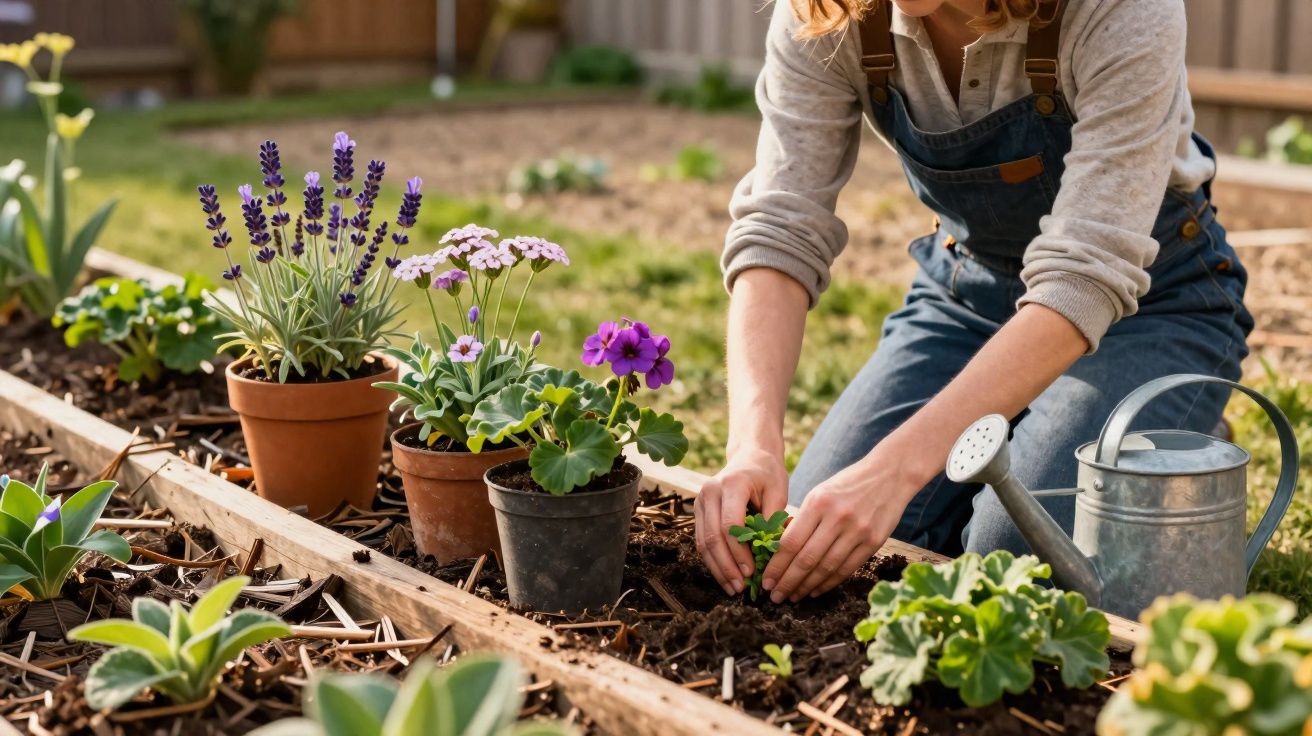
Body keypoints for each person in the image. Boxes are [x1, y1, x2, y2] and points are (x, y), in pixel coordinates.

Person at [695, 0, 1252, 604]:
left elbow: (1086, 275)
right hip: (969, 298)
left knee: (1014, 560)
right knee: (815, 541)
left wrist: (895, 470)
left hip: (1147, 307)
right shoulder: (829, 11)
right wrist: (752, 443)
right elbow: (782, 225)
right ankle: (1040, 424)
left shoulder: (1122, 9)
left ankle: (1158, 422)